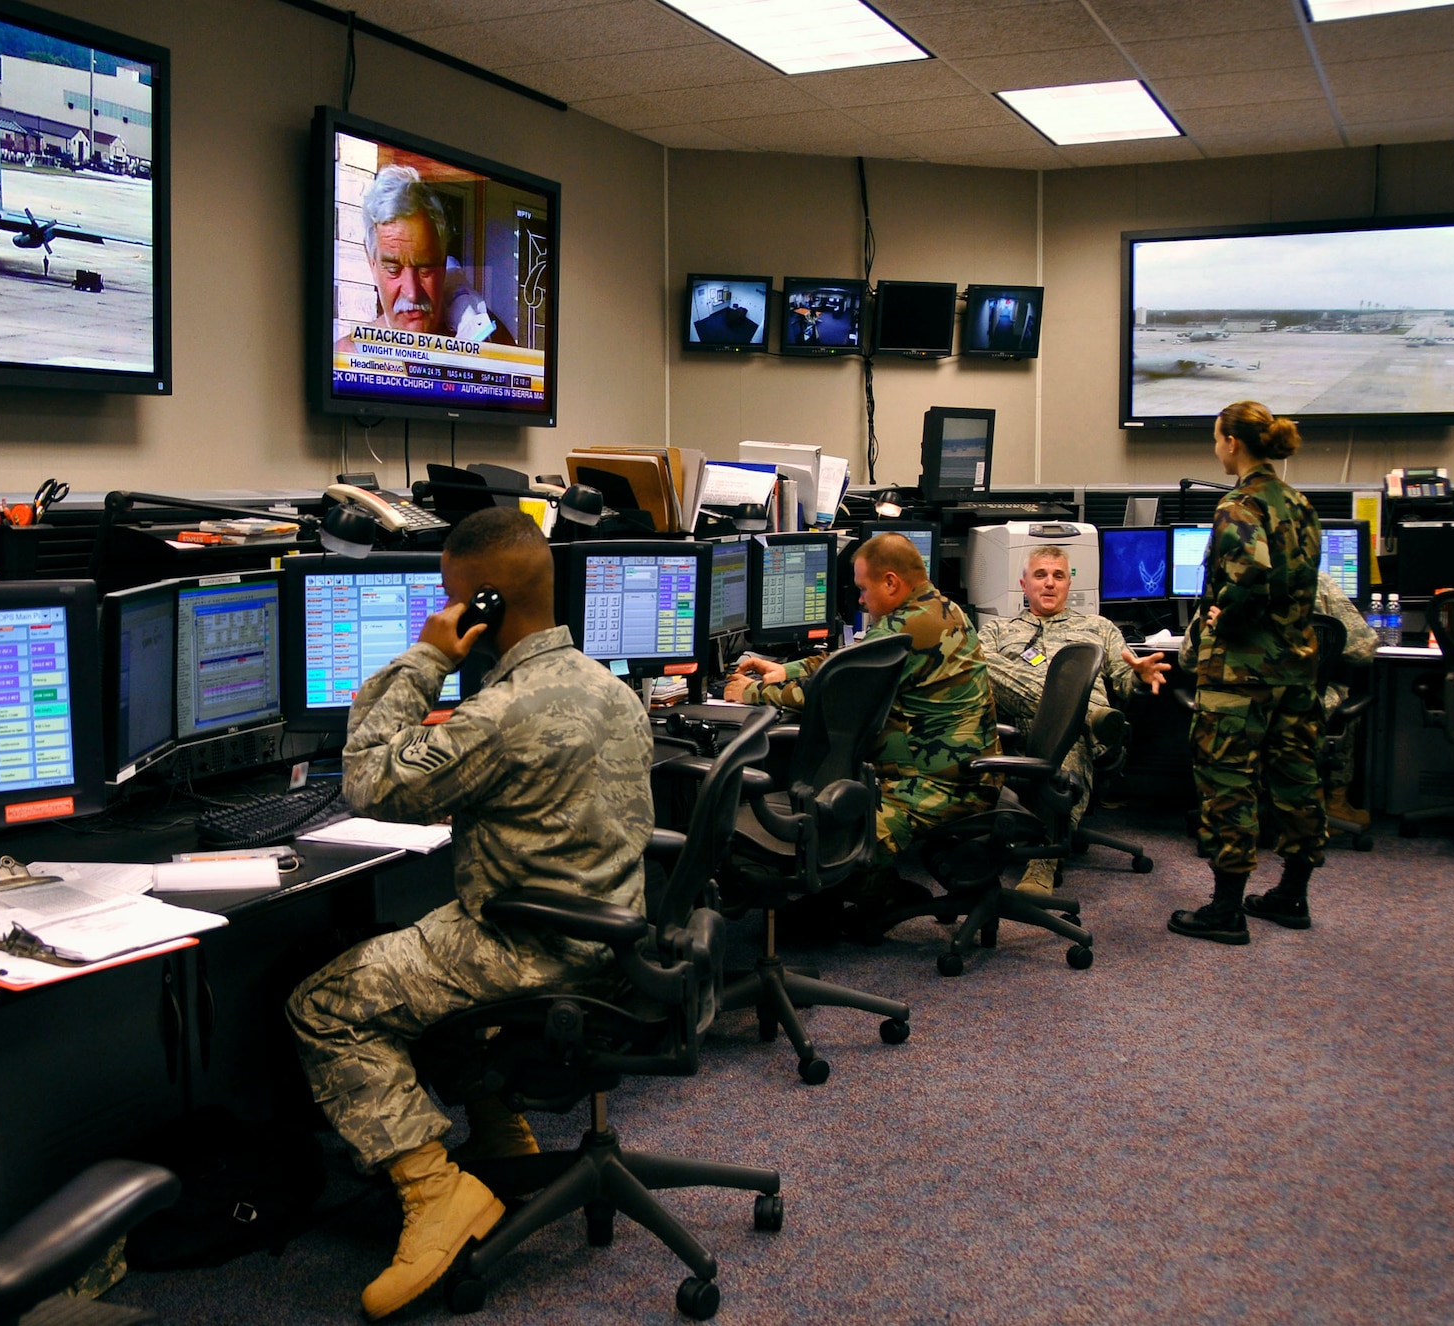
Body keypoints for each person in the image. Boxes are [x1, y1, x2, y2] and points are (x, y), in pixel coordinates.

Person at [285, 507, 653, 1320]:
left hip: (529, 943)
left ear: (482, 605)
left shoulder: (501, 713)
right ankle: (502, 1140)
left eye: (454, 601)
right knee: (417, 943)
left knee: (325, 1004)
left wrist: (425, 656)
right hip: (609, 938)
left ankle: (436, 1191)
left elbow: (369, 780)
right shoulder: (613, 691)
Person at [726, 533, 1001, 907]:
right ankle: (871, 890)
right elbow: (849, 659)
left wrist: (751, 692)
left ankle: (873, 890)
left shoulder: (909, 627)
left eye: (862, 588)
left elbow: (833, 694)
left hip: (941, 787)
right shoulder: (938, 609)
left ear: (891, 581)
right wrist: (782, 670)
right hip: (950, 771)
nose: (859, 599)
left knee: (832, 839)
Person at [1171, 400, 1326, 944]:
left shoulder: (1240, 504)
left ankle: (1226, 908)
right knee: (1296, 777)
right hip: (1296, 667)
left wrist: (1225, 609)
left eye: (1217, 438)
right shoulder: (1300, 504)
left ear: (1232, 443)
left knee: (1227, 781)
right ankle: (1293, 893)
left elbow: (1251, 576)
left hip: (1241, 671)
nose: (1215, 448)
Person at [977, 545, 1171, 892]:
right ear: (1024, 584)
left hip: (1077, 739)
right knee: (978, 663)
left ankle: (1042, 864)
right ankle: (1086, 715)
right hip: (1017, 730)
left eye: (1058, 576)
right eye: (1040, 575)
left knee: (1066, 738)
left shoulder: (1099, 627)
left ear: (1069, 585)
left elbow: (1125, 682)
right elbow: (979, 679)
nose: (1049, 583)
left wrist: (1139, 675)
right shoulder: (996, 631)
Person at [338, 165, 517, 347]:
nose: (412, 293)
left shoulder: (490, 340)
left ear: (443, 260)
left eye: (425, 269)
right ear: (372, 263)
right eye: (393, 270)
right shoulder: (347, 356)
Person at [1315, 570, 1377, 826]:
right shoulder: (1318, 582)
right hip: (1305, 699)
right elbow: (1363, 650)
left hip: (1242, 704)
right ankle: (1333, 803)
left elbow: (1189, 658)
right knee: (1338, 697)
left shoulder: (1221, 583)